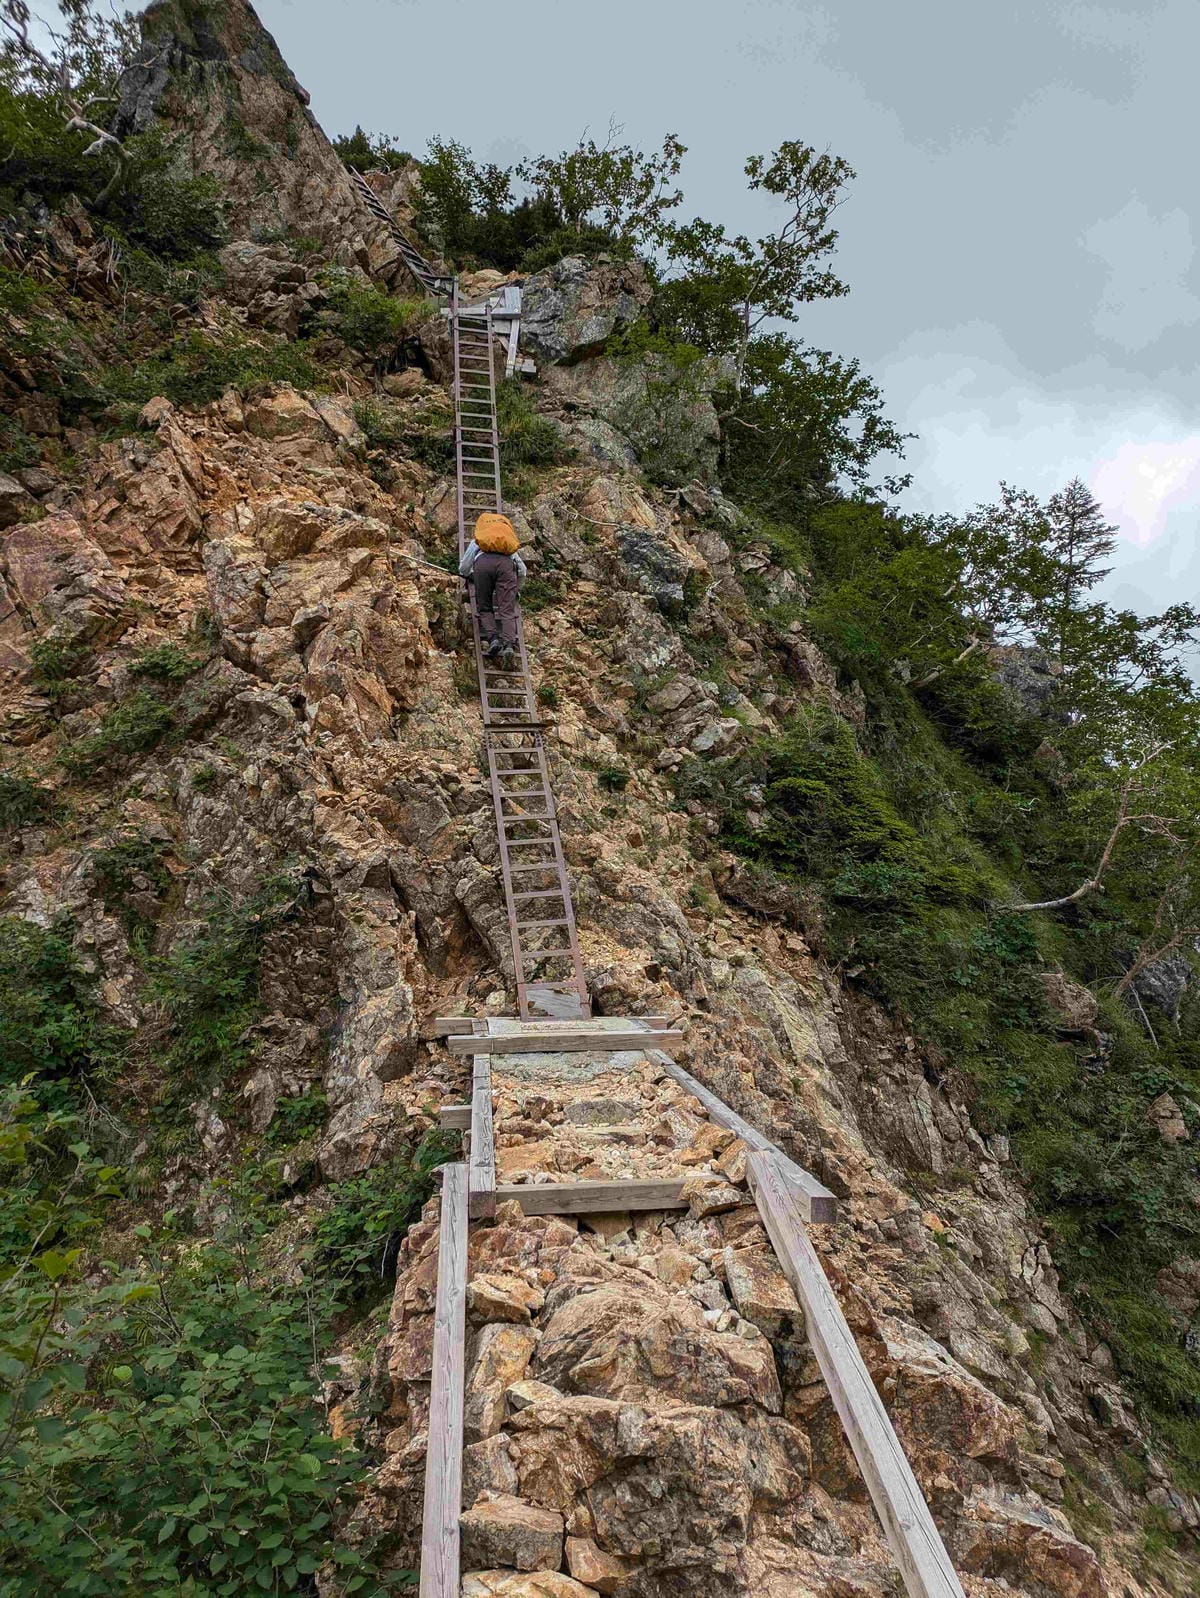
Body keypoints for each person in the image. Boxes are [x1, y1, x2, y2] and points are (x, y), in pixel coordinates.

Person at [459, 512, 527, 665]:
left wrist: (471, 575)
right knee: (507, 610)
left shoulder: (479, 541)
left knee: (484, 606)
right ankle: (509, 644)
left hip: (482, 564)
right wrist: (516, 589)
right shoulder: (507, 544)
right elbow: (523, 571)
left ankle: (493, 639)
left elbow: (463, 568)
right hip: (506, 566)